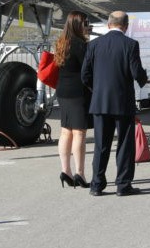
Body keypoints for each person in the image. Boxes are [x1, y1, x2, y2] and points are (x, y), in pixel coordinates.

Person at [81, 10, 149, 196]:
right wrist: (145, 78)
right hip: (122, 103)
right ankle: (123, 185)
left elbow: (84, 75)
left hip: (100, 103)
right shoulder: (130, 44)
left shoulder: (94, 45)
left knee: (101, 145)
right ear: (126, 26)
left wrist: (97, 91)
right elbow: (137, 73)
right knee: (125, 145)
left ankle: (96, 185)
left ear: (109, 24)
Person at [54, 11, 93, 188]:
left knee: (65, 131)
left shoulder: (61, 42)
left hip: (63, 91)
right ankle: (80, 173)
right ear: (77, 25)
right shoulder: (80, 45)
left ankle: (65, 170)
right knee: (79, 133)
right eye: (85, 23)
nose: (87, 26)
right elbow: (87, 70)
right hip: (78, 93)